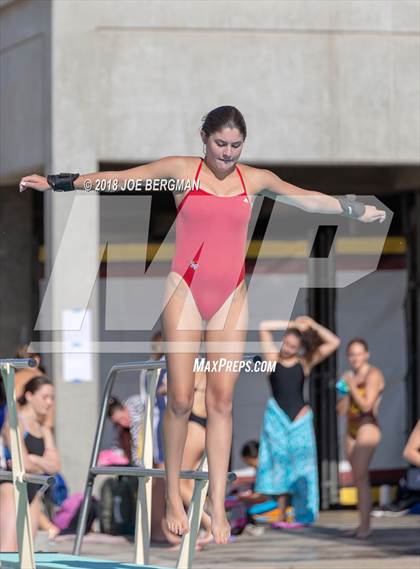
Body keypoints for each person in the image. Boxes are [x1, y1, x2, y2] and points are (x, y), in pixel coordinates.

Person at [19, 105, 387, 544]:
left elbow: (304, 197)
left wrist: (352, 208)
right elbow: (119, 180)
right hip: (185, 290)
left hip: (231, 292)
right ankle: (173, 496)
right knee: (178, 399)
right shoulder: (180, 171)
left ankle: (215, 502)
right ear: (204, 138)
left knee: (222, 401)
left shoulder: (255, 179)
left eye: (236, 146)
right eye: (220, 144)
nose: (228, 154)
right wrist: (59, 182)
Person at [257, 316, 341, 527]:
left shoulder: (304, 362)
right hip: (277, 420)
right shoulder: (271, 359)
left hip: (300, 421)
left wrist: (312, 325)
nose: (288, 349)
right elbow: (263, 326)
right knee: (280, 466)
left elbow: (334, 342)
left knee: (303, 468)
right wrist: (293, 324)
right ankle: (281, 512)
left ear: (300, 347)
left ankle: (303, 513)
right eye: (286, 343)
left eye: (293, 346)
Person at [0, 376, 60, 551]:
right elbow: (23, 464)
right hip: (12, 488)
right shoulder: (14, 423)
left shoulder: (44, 429)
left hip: (33, 491)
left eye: (52, 397)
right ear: (29, 396)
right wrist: (40, 462)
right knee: (8, 551)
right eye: (45, 397)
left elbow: (55, 466)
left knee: (27, 554)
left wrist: (34, 459)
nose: (49, 403)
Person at [336, 338, 385, 538]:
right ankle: (361, 523)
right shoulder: (350, 377)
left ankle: (366, 526)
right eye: (351, 354)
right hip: (351, 427)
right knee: (357, 478)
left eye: (358, 353)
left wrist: (352, 386)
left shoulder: (373, 374)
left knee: (362, 475)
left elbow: (366, 406)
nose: (355, 358)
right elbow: (341, 410)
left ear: (366, 354)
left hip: (368, 425)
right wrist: (345, 391)